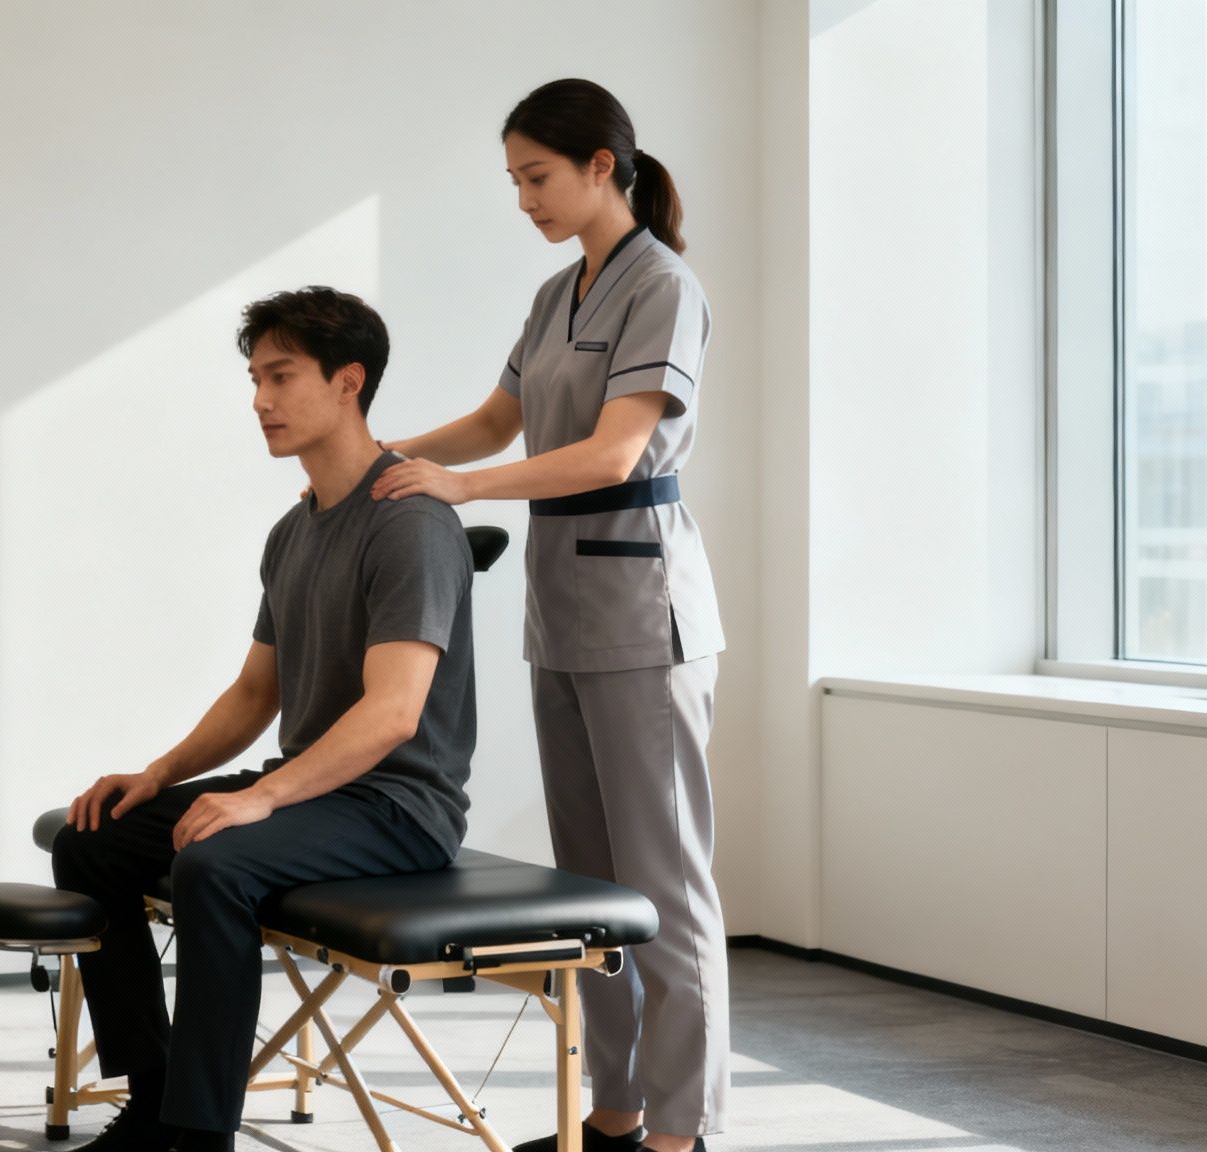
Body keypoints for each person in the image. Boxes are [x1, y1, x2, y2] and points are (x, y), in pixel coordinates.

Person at [368, 79, 728, 1152]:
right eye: (514, 179)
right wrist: (378, 465)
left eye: (536, 176)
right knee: (594, 890)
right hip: (561, 606)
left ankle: (678, 1133)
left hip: (641, 608)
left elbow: (615, 451)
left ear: (600, 167)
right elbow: (493, 420)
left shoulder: (663, 287)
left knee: (663, 881)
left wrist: (461, 490)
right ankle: (610, 1120)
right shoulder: (553, 293)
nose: (522, 197)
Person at [51, 286, 478, 1152]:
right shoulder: (294, 531)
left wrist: (262, 799)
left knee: (215, 864)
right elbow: (256, 695)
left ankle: (199, 1136)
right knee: (91, 837)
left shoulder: (413, 525)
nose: (260, 401)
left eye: (280, 377)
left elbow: (395, 715)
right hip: (318, 793)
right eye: (254, 379)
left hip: (399, 807)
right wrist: (160, 774)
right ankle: (157, 1094)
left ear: (349, 380)